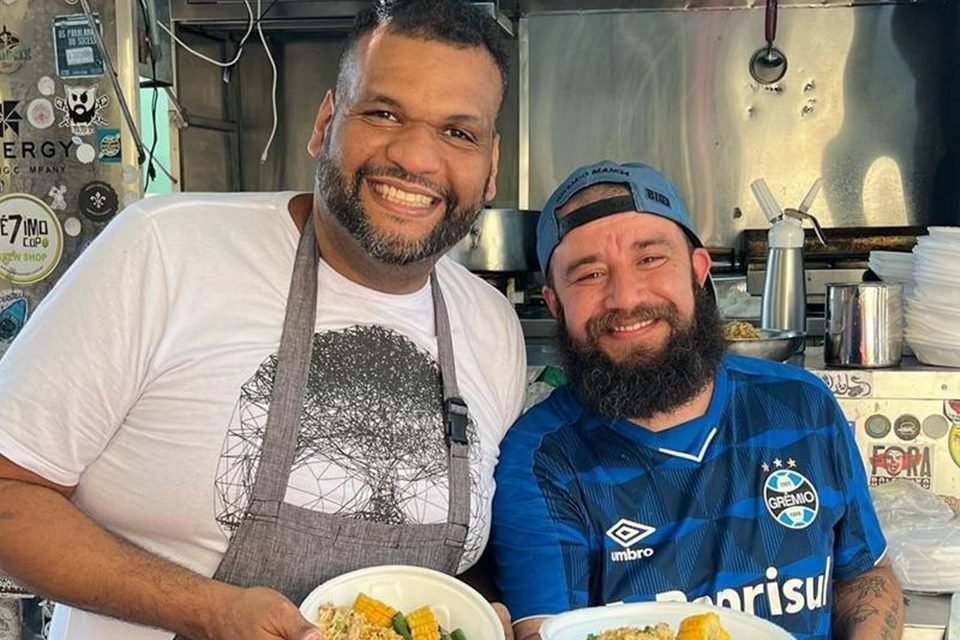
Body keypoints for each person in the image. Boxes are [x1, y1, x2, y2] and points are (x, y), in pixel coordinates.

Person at [0, 1, 526, 639]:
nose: (416, 157)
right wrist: (209, 612)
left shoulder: (491, 327)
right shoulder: (165, 252)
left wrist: (472, 615)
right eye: (384, 113)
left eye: (458, 132)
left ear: (490, 168)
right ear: (326, 123)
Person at [489, 161, 903, 640]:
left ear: (697, 271)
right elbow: (548, 631)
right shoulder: (541, 460)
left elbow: (866, 574)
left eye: (650, 259)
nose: (625, 298)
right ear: (556, 305)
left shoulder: (802, 406)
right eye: (590, 275)